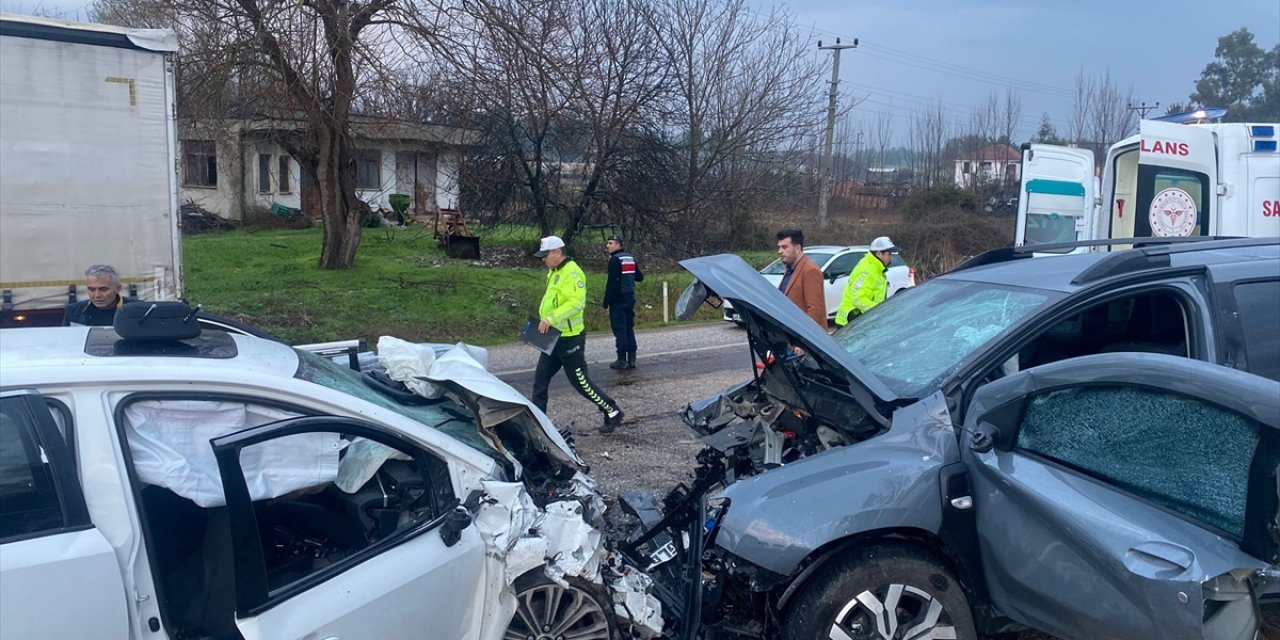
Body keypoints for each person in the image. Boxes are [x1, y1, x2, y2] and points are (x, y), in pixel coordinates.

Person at [530, 236, 626, 434]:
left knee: (581, 382)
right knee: (540, 380)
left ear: (558, 252)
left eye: (545, 255)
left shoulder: (573, 273)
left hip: (570, 338)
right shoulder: (554, 272)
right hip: (552, 337)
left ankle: (612, 410)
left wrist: (551, 318)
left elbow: (576, 303)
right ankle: (537, 424)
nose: (543, 260)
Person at [602, 234, 644, 370]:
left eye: (611, 243)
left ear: (619, 245)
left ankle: (621, 360)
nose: (607, 246)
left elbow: (612, 283)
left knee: (619, 330)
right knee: (628, 328)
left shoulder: (615, 260)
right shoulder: (629, 258)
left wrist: (606, 303)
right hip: (630, 298)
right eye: (608, 243)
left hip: (618, 300)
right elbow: (639, 277)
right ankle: (632, 359)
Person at [835, 236, 895, 327]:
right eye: (889, 254)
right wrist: (880, 310)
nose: (891, 257)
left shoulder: (877, 268)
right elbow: (858, 299)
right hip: (850, 322)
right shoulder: (868, 270)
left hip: (859, 321)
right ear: (879, 254)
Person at [775, 229, 827, 328]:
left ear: (798, 248)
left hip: (803, 339)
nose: (780, 251)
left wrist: (802, 341)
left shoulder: (810, 270)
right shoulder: (790, 269)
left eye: (784, 247)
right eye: (779, 247)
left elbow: (815, 311)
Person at [63, 264, 134, 326]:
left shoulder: (138, 310)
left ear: (118, 289)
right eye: (91, 289)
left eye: (103, 289)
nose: (97, 295)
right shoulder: (73, 312)